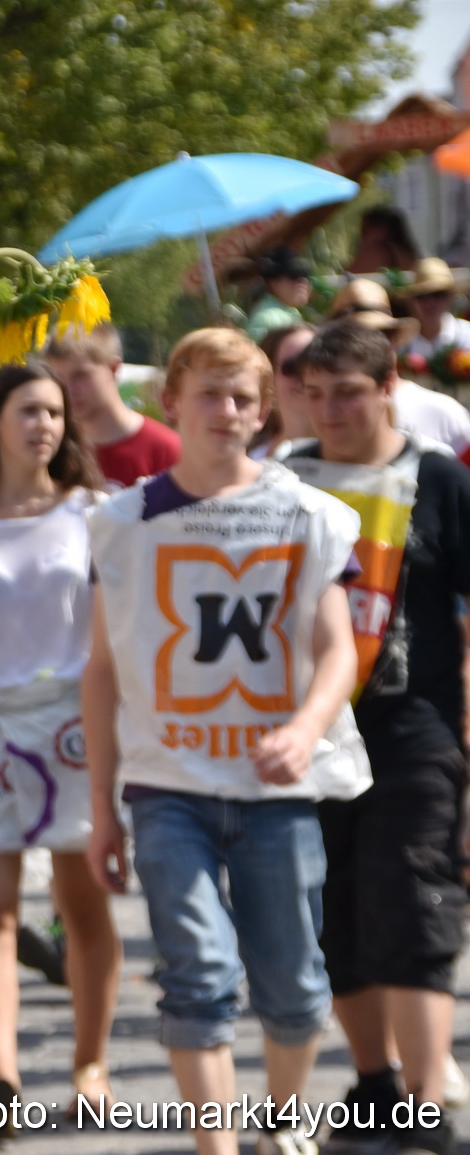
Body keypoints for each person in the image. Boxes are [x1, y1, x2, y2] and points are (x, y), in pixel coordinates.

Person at [83, 328, 366, 1155]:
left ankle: (281, 1120)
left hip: (278, 793)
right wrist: (102, 808)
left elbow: (339, 648)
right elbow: (100, 670)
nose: (228, 410)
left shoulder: (311, 516)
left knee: (293, 986)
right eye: (210, 392)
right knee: (198, 976)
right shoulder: (122, 522)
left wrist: (305, 728)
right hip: (168, 789)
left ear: (264, 409)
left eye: (244, 395)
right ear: (169, 402)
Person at [286, 320, 470, 1155]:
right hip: (311, 735)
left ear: (390, 388)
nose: (330, 410)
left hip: (414, 727)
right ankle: (373, 1086)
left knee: (413, 897)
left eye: (349, 393)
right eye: (315, 393)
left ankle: (429, 1103)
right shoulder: (285, 479)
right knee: (339, 913)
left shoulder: (437, 479)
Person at [0, 364, 120, 1142]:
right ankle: (1, 1075)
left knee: (83, 900)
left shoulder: (95, 511)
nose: (45, 424)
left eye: (55, 411)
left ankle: (91, 1063)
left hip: (75, 721)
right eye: (28, 410)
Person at [327, 278, 470, 456]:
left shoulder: (446, 414)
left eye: (381, 334)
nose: (367, 347)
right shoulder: (322, 417)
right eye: (353, 338)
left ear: (395, 339)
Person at [46, 324, 181, 488]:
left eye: (80, 375)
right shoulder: (51, 450)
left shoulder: (167, 449)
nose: (69, 389)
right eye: (59, 378)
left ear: (113, 368)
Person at [252, 323, 317, 459]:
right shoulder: (249, 460)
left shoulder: (357, 455)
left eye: (315, 364)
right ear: (268, 380)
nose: (305, 376)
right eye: (291, 367)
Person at [396, 257, 470, 362]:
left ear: (450, 297)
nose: (430, 302)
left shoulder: (467, 335)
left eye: (438, 294)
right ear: (412, 301)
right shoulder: (401, 343)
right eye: (421, 296)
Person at [245, 247, 314, 344]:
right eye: (294, 275)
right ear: (274, 283)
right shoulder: (268, 320)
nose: (303, 281)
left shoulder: (287, 312)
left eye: (306, 275)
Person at [348, 205, 421, 275]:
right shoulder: (410, 252)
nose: (361, 236)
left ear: (382, 229)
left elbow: (347, 277)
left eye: (365, 229)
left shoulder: (377, 251)